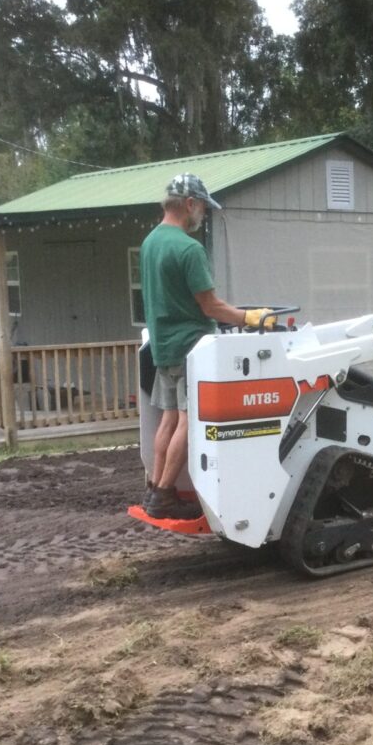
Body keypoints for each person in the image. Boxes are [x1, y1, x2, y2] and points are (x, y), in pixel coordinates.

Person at [141, 173, 272, 519]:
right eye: (202, 207)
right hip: (191, 349)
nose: (202, 215)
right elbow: (210, 307)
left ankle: (154, 488)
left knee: (168, 418)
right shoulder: (188, 248)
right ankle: (166, 495)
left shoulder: (150, 242)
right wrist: (252, 318)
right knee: (186, 419)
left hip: (163, 346)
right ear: (189, 204)